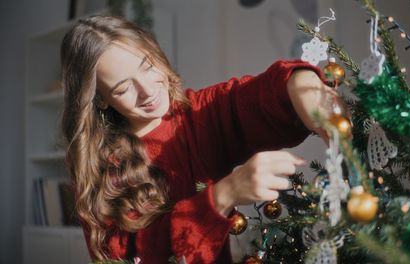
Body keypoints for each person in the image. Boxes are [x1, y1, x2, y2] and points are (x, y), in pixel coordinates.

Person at [60, 15, 339, 263]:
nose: (147, 91)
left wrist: (302, 85)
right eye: (123, 88)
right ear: (101, 100)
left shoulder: (197, 115)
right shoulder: (99, 167)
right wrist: (223, 195)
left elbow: (258, 95)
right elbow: (131, 255)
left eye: (147, 66)